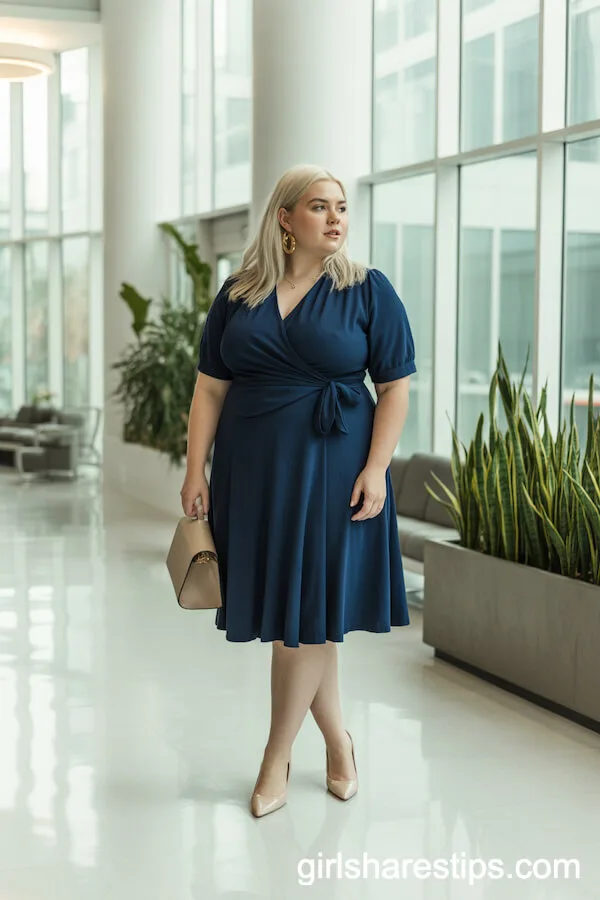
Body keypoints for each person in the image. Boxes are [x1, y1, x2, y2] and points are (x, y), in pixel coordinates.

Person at [180, 164, 416, 818]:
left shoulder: (369, 290)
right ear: (285, 218)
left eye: (342, 206)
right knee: (304, 617)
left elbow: (395, 387)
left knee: (301, 623)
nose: (337, 218)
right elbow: (209, 387)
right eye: (320, 206)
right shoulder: (238, 293)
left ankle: (275, 757)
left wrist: (376, 469)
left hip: (337, 472)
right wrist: (195, 467)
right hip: (253, 473)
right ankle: (340, 743)